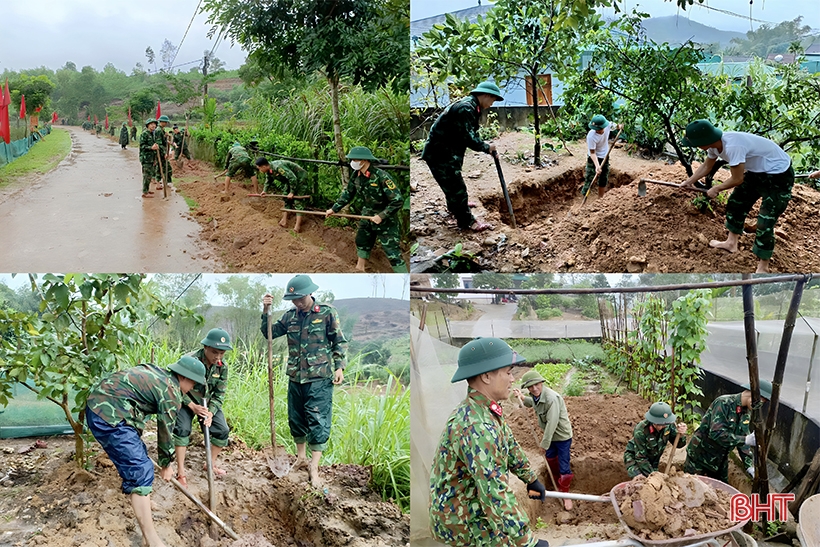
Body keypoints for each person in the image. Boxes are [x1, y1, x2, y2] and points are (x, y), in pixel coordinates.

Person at [430, 337, 548, 547]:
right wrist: (528, 543)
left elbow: (509, 444)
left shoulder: (485, 410)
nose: (513, 379)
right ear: (486, 376)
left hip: (475, 509)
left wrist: (530, 479)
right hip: (464, 523)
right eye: (508, 372)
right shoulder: (475, 426)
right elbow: (494, 493)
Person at [85, 356, 209, 547]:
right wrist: (167, 464)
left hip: (106, 404)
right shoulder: (171, 393)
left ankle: (143, 500)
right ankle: (151, 539)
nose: (192, 389)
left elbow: (170, 396)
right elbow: (166, 431)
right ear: (184, 377)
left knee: (139, 455)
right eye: (193, 384)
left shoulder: (163, 376)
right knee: (140, 469)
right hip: (108, 414)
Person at [260, 275, 347, 487]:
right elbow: (269, 334)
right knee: (296, 419)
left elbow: (339, 341)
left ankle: (314, 468)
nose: (297, 303)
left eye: (299, 298)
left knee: (317, 421)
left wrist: (339, 367)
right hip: (296, 377)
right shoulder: (290, 317)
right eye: (293, 299)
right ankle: (300, 458)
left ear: (309, 293)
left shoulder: (326, 313)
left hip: (319, 378)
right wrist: (266, 311)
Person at [680, 120, 795, 273]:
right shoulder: (715, 145)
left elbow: (737, 179)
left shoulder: (733, 146)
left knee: (765, 221)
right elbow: (707, 166)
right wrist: (689, 182)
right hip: (757, 172)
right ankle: (731, 243)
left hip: (779, 175)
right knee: (736, 203)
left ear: (703, 142)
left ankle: (763, 267)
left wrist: (717, 188)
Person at [421, 81, 503, 232]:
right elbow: (468, 138)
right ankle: (467, 222)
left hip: (448, 153)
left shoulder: (473, 107)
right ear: (485, 95)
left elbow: (471, 131)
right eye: (493, 99)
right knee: (457, 188)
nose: (492, 103)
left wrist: (486, 147)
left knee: (453, 184)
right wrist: (486, 147)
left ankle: (457, 207)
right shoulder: (465, 108)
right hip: (440, 154)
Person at [325, 146, 407, 273]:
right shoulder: (356, 176)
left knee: (392, 251)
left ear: (364, 161)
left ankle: (403, 277)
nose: (352, 162)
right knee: (362, 241)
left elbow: (397, 201)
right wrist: (334, 209)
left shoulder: (382, 177)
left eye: (354, 159)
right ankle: (360, 268)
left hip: (386, 220)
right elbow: (348, 193)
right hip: (367, 214)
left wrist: (381, 216)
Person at [172, 328, 233, 487]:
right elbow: (175, 387)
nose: (218, 357)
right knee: (182, 429)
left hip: (207, 403)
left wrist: (211, 413)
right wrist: (192, 406)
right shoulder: (190, 360)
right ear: (205, 347)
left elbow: (220, 394)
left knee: (222, 431)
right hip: (186, 400)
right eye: (214, 352)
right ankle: (181, 472)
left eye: (222, 353)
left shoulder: (222, 367)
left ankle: (210, 464)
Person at [683, 380, 771, 482]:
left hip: (720, 459)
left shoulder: (746, 412)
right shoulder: (724, 403)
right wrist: (745, 439)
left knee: (722, 491)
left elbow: (743, 439)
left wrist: (748, 465)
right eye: (761, 401)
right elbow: (716, 433)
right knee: (691, 487)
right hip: (701, 456)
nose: (760, 406)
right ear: (753, 396)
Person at [513, 370, 574, 510]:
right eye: (531, 387)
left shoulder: (551, 398)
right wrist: (522, 398)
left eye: (537, 385)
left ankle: (565, 494)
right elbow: (534, 404)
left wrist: (544, 444)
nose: (534, 389)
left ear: (541, 383)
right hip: (550, 436)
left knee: (564, 465)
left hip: (562, 437)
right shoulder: (537, 396)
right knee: (550, 459)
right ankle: (556, 482)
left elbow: (552, 423)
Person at [624, 402, 687, 478]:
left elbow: (679, 444)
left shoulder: (668, 425)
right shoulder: (640, 431)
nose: (661, 427)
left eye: (663, 424)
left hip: (653, 460)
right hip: (635, 459)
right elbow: (641, 458)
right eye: (658, 424)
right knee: (641, 482)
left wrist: (681, 435)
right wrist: (655, 477)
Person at [255, 157, 309, 232]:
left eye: (259, 168)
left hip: (300, 178)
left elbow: (292, 178)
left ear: (264, 166)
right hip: (289, 181)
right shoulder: (269, 170)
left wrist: (292, 192)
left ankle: (297, 226)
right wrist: (265, 191)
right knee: (286, 198)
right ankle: (284, 221)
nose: (259, 170)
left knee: (298, 201)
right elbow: (268, 180)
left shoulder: (278, 167)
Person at [582, 115, 623, 198]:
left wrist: (620, 126)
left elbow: (617, 126)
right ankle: (584, 197)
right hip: (593, 158)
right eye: (597, 130)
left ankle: (600, 198)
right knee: (590, 178)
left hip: (604, 156)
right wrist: (597, 166)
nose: (599, 131)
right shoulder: (591, 136)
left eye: (600, 129)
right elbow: (593, 153)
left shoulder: (608, 125)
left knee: (603, 177)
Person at [139, 119, 159, 198]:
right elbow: (142, 146)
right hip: (146, 158)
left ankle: (147, 190)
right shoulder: (144, 134)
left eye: (154, 124)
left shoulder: (152, 134)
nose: (153, 126)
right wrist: (151, 147)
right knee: (146, 175)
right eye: (151, 124)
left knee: (150, 175)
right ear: (148, 125)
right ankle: (145, 192)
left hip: (151, 158)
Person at [154, 115, 173, 188]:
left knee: (162, 167)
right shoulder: (159, 130)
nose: (166, 123)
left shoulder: (162, 130)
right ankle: (161, 182)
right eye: (165, 122)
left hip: (162, 151)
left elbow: (163, 140)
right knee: (162, 167)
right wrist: (164, 153)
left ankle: (164, 182)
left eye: (166, 122)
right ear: (162, 122)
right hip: (160, 152)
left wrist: (166, 138)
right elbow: (159, 143)